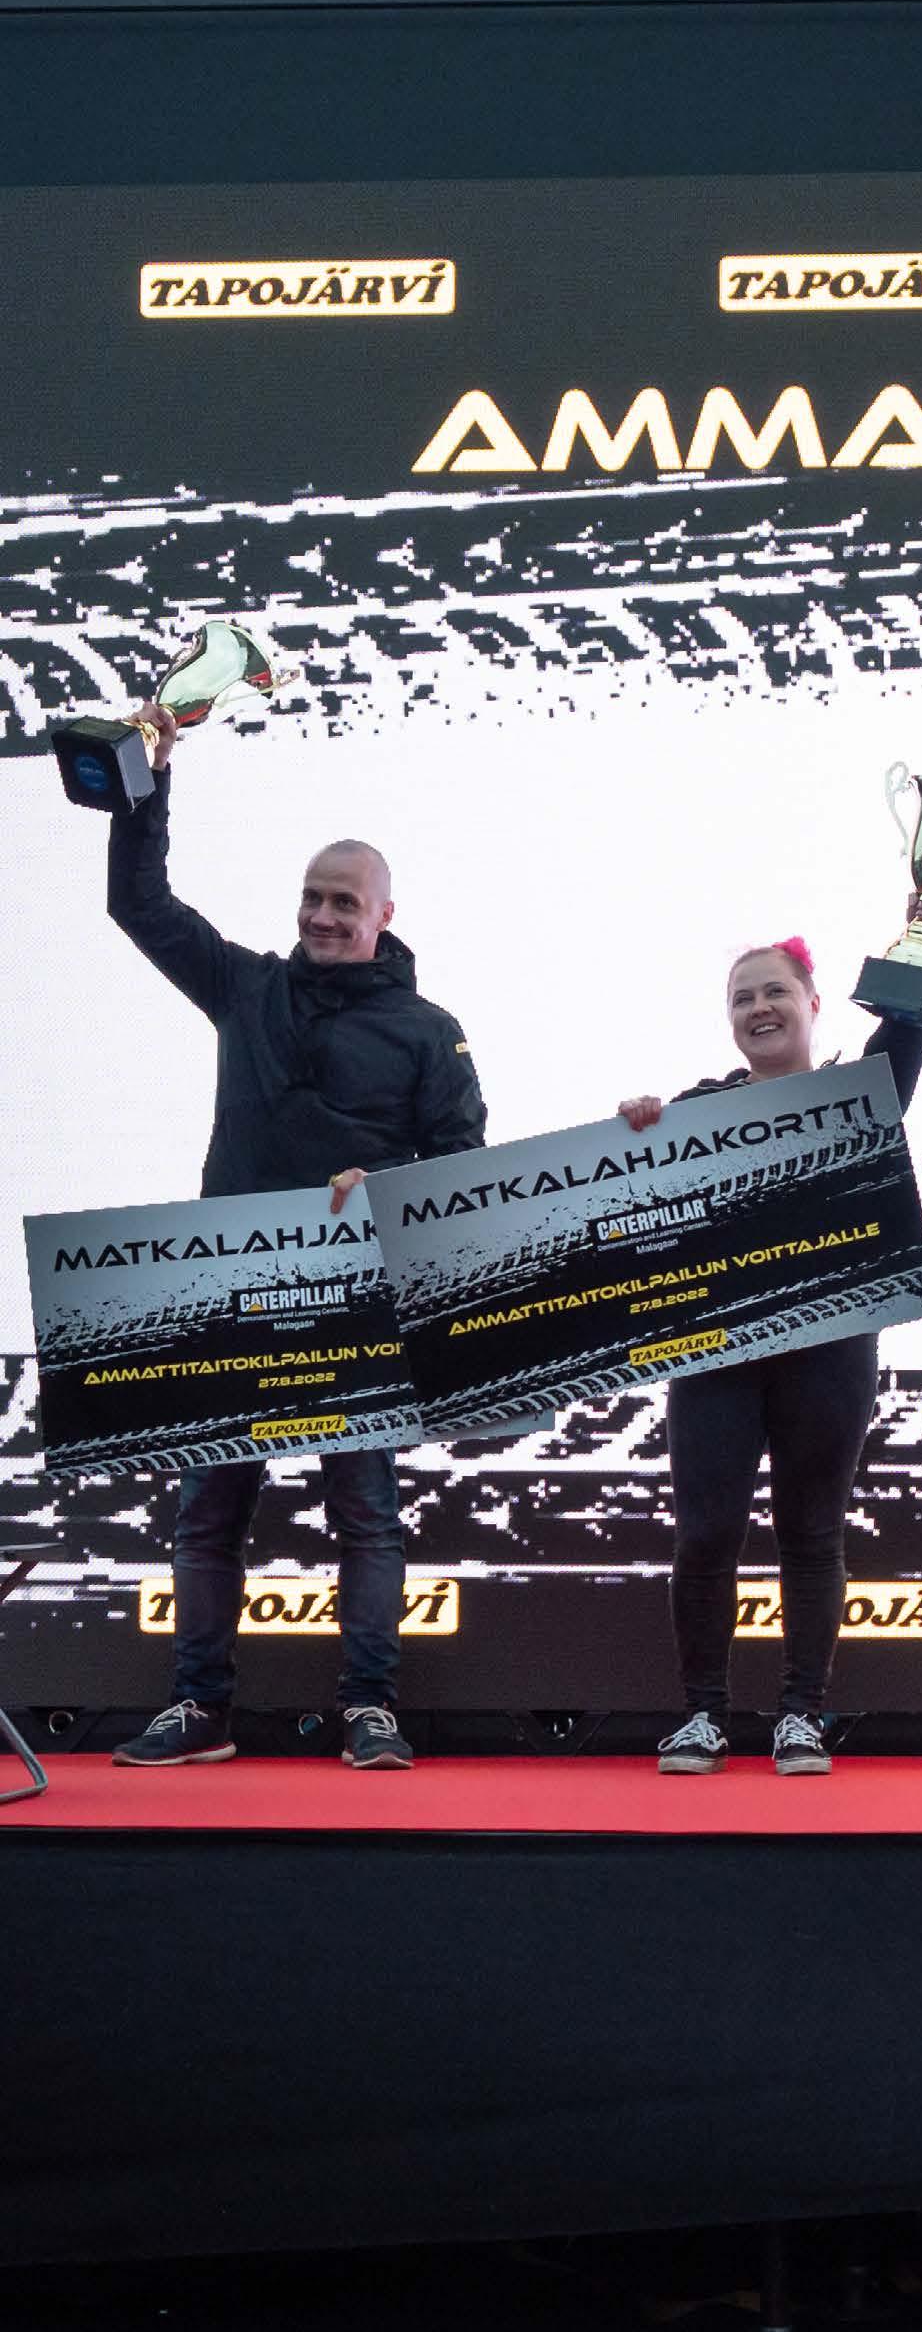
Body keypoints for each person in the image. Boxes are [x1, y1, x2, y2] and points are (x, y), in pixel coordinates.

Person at [107, 699, 486, 1770]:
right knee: (206, 1514)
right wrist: (147, 781)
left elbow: (464, 1163)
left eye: (342, 902)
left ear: (384, 914)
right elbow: (139, 903)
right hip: (230, 1290)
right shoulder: (246, 988)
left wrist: (389, 1182)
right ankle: (199, 1709)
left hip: (357, 1299)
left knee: (364, 1513)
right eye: (312, 898)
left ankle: (370, 1707)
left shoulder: (428, 1032)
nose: (321, 916)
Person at [618, 912, 922, 1778]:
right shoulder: (696, 1109)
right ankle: (702, 1717)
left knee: (811, 1534)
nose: (759, 1007)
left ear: (812, 1004)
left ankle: (801, 1716)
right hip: (717, 1357)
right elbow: (631, 1188)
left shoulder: (860, 1095)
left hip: (830, 1348)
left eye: (775, 992)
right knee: (705, 1536)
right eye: (743, 998)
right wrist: (637, 1126)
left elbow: (907, 1029)